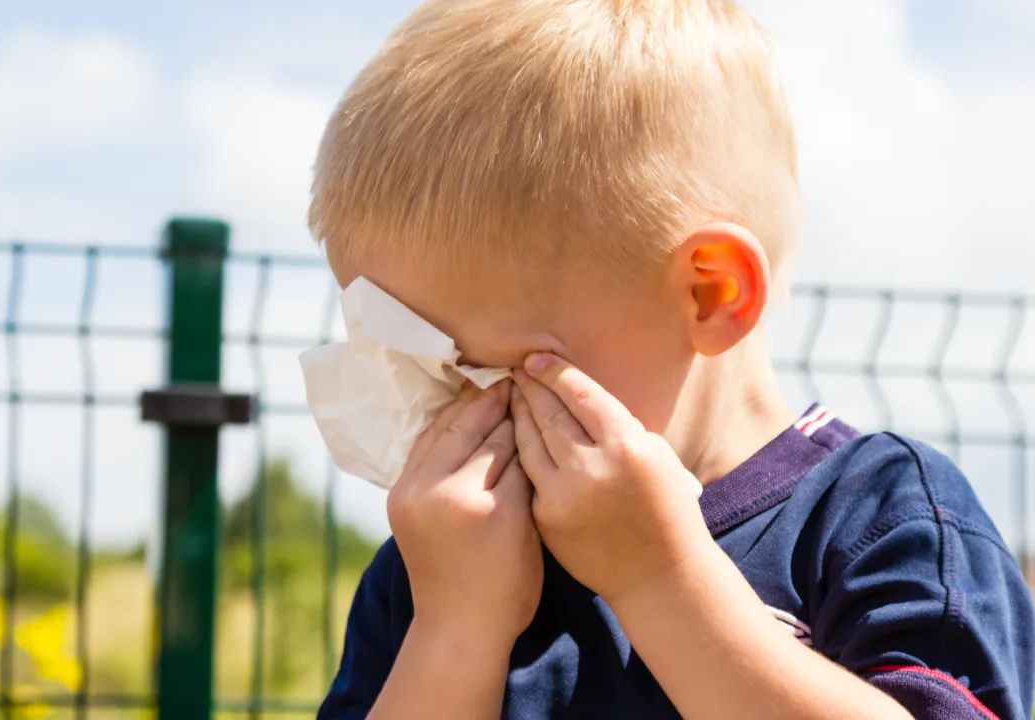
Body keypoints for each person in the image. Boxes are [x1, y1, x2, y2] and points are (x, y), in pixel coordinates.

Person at [309, 0, 1035, 717]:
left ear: (710, 294)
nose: (456, 415)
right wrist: (453, 630)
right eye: (421, 371)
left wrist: (661, 580)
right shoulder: (434, 569)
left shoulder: (881, 515)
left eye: (490, 374)